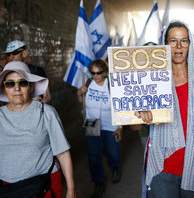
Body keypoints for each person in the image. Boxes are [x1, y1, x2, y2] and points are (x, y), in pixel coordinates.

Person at [136, 21, 194, 198]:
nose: (178, 46)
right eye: (173, 40)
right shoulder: (151, 78)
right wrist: (140, 114)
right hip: (162, 165)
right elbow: (134, 127)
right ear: (165, 44)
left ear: (190, 44)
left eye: (184, 41)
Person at [0, 61, 75, 198]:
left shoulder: (46, 112)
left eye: (22, 83)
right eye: (10, 84)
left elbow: (63, 153)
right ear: (4, 88)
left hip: (44, 186)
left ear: (30, 85)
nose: (17, 89)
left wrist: (71, 189)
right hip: (8, 189)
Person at [77, 59, 123, 198]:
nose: (95, 76)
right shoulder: (88, 83)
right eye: (93, 73)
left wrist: (120, 127)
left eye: (99, 73)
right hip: (91, 123)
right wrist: (79, 93)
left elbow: (120, 107)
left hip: (110, 125)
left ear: (105, 72)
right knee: (94, 157)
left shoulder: (112, 85)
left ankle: (115, 167)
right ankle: (98, 183)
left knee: (113, 152)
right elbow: (82, 103)